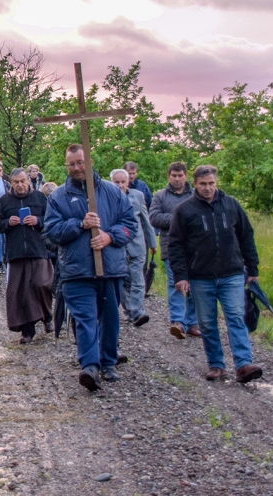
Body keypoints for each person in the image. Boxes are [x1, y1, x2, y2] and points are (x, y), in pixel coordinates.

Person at [45, 144, 139, 390]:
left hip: (110, 267)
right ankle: (90, 366)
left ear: (89, 160)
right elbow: (52, 231)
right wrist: (80, 224)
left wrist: (110, 237)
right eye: (72, 164)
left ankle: (108, 363)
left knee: (109, 318)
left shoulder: (113, 192)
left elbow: (130, 224)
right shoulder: (58, 197)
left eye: (80, 162)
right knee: (85, 318)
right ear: (67, 166)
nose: (77, 168)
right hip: (76, 270)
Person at [169, 165, 264, 384]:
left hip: (231, 274)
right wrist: (181, 276)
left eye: (211, 183)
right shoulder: (185, 210)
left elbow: (246, 236)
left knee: (236, 318)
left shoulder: (231, 205)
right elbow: (175, 246)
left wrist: (252, 269)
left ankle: (243, 364)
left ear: (216, 182)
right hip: (200, 277)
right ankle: (216, 365)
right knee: (208, 323)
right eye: (203, 184)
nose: (208, 188)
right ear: (194, 184)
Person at [0, 169, 54, 343]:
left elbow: (52, 219)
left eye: (23, 181)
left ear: (29, 181)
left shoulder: (40, 198)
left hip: (38, 249)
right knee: (20, 292)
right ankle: (27, 330)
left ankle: (48, 317)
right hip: (16, 252)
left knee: (42, 284)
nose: (20, 185)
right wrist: (8, 223)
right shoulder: (4, 201)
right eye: (16, 182)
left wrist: (38, 221)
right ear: (11, 183)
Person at [148, 162, 201, 339]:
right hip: (171, 247)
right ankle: (177, 321)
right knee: (176, 283)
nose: (177, 179)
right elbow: (154, 217)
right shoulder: (160, 197)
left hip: (196, 249)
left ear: (186, 176)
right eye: (173, 175)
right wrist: (179, 219)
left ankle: (192, 322)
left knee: (195, 285)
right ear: (169, 176)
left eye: (180, 175)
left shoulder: (196, 195)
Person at [110, 169, 152, 327]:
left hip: (137, 244)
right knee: (121, 280)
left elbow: (146, 220)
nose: (120, 185)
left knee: (138, 279)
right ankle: (130, 310)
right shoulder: (108, 198)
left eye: (123, 182)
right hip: (117, 246)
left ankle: (137, 311)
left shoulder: (138, 196)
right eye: (117, 182)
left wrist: (152, 243)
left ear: (128, 182)